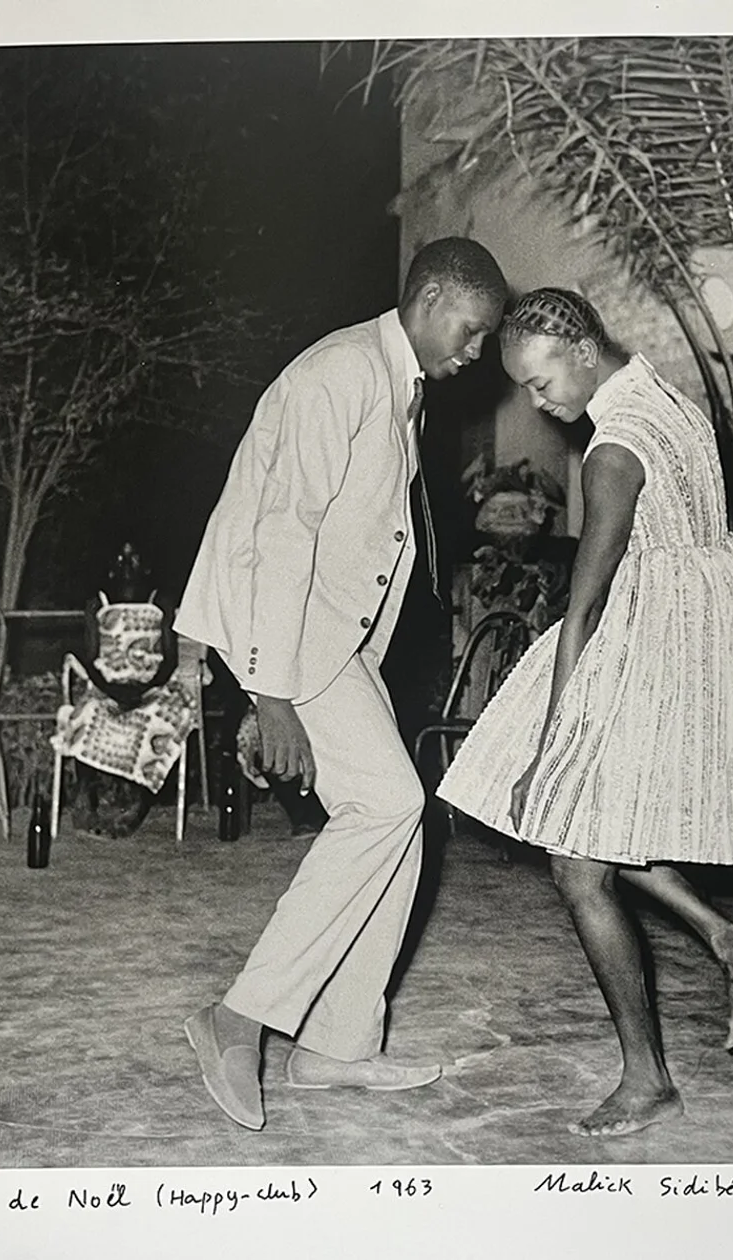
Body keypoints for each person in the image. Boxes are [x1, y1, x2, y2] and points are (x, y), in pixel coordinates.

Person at [437, 288, 733, 1138]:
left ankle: (648, 1078)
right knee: (601, 834)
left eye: (543, 383)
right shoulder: (673, 402)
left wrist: (550, 744)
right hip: (709, 637)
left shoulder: (613, 449)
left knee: (576, 864)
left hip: (651, 650)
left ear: (584, 351)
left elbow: (583, 609)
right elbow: (728, 542)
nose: (539, 403)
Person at [174, 237, 508, 1131]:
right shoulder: (344, 372)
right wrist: (269, 692)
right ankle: (237, 1019)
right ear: (430, 299)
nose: (477, 352)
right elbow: (281, 531)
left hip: (335, 639)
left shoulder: (394, 381)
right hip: (293, 637)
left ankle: (338, 1045)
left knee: (399, 818)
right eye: (472, 330)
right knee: (390, 805)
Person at [54, 542, 196, 838]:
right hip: (108, 684)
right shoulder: (98, 603)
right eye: (121, 557)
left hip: (153, 685)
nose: (127, 564)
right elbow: (91, 657)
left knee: (161, 718)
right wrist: (112, 690)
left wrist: (144, 689)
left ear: (148, 566)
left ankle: (138, 805)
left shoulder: (160, 601)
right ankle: (85, 797)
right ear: (111, 567)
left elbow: (170, 659)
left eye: (135, 557)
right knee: (88, 712)